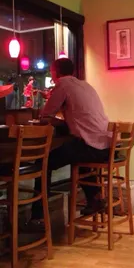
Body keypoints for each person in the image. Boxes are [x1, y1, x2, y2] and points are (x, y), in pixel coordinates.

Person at [31, 58, 112, 221]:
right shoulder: (86, 85)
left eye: (52, 72)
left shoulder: (63, 85)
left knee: (43, 163)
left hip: (91, 145)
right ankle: (94, 199)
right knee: (79, 154)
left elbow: (45, 115)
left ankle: (39, 215)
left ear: (55, 72)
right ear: (73, 71)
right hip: (106, 146)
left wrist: (59, 121)